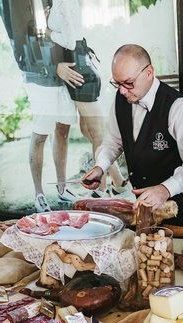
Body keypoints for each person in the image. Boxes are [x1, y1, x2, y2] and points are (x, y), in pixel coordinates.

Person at [81, 44, 183, 229]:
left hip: (175, 208)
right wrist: (100, 166)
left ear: (149, 72)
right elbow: (113, 141)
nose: (123, 91)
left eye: (128, 83)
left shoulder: (177, 106)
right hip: (140, 207)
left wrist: (166, 189)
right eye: (117, 84)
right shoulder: (121, 99)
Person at [0, 0, 76, 213]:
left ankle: (62, 187)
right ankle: (39, 194)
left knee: (63, 128)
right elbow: (21, 40)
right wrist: (52, 67)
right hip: (41, 73)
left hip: (62, 68)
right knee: (41, 133)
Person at [46, 0, 126, 200]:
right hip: (78, 66)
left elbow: (71, 41)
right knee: (87, 129)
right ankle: (119, 182)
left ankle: (101, 191)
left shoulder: (65, 2)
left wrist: (48, 34)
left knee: (97, 133)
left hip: (79, 70)